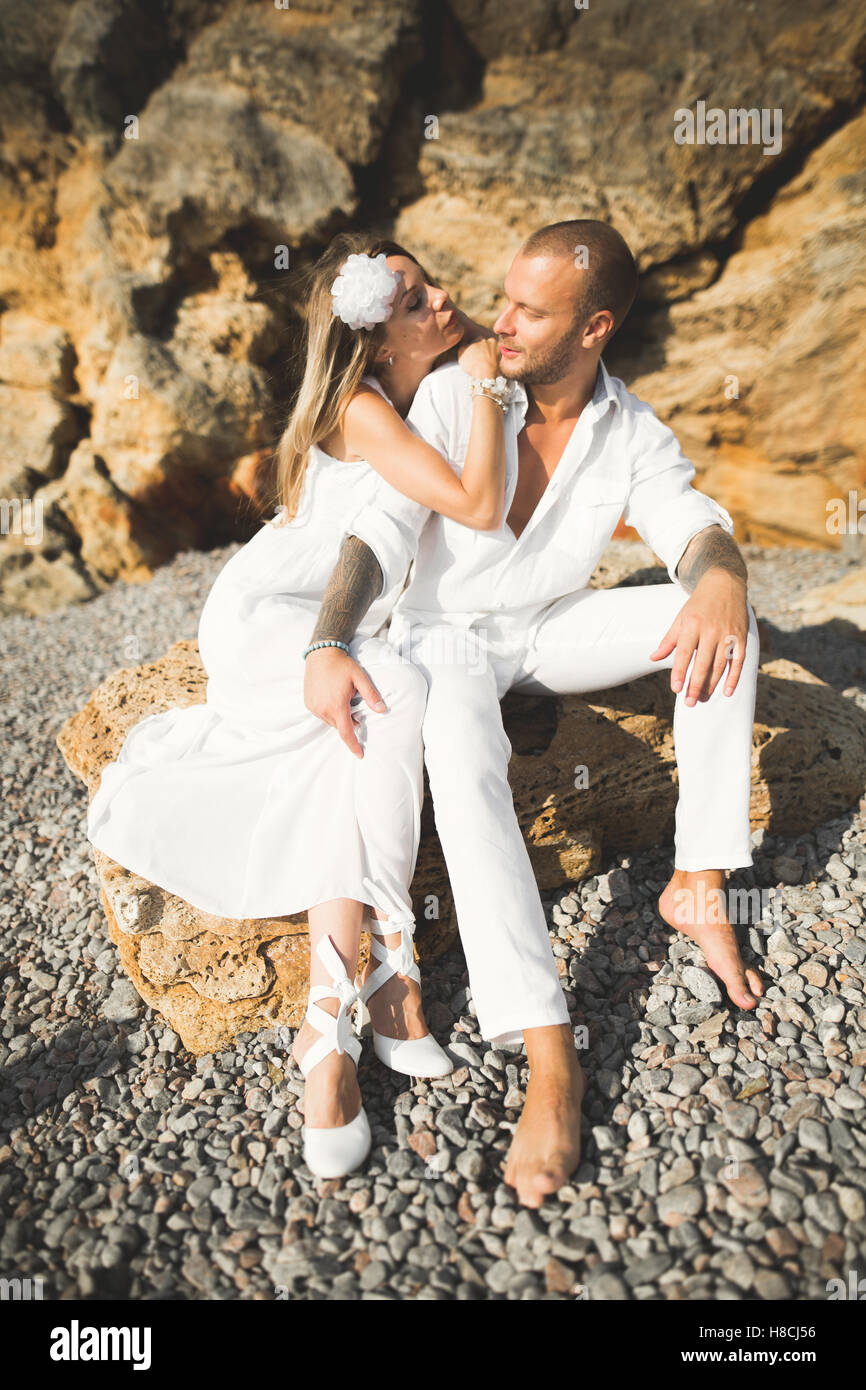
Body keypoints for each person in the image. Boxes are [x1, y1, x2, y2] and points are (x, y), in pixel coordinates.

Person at [303, 219, 764, 1207]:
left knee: (726, 618)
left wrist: (720, 574)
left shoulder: (629, 431)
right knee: (460, 745)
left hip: (549, 630)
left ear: (593, 327)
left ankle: (695, 878)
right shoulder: (455, 391)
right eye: (502, 297)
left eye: (527, 309)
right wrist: (328, 637)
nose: (494, 319)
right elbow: (374, 535)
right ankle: (549, 1050)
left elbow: (691, 526)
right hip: (443, 640)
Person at [86, 230, 510, 1179]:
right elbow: (477, 504)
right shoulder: (364, 411)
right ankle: (386, 985)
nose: (441, 300)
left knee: (346, 754)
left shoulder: (398, 396)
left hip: (333, 626)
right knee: (391, 694)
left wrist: (469, 350)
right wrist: (482, 367)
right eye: (414, 302)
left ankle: (337, 1030)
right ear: (374, 342)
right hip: (265, 619)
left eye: (432, 286)